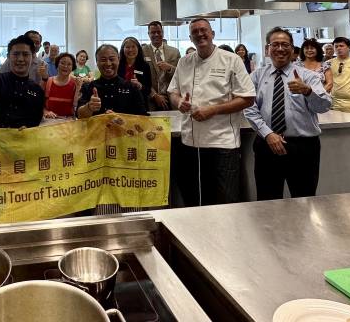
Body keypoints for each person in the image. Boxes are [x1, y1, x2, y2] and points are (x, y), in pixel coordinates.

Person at [167, 18, 256, 205]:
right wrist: (179, 102)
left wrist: (213, 110)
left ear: (212, 34)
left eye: (204, 30)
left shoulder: (231, 60)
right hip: (190, 142)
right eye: (195, 32)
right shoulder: (184, 62)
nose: (200, 34)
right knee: (195, 200)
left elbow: (247, 98)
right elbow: (173, 92)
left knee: (225, 200)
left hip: (222, 143)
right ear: (190, 38)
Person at [244, 28, 332, 200]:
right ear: (267, 49)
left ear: (292, 49)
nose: (280, 49)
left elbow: (324, 106)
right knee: (267, 200)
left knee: (304, 199)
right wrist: (268, 134)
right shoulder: (256, 76)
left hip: (303, 147)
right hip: (267, 144)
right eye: (275, 44)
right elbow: (249, 108)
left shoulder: (308, 76)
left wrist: (308, 91)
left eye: (285, 45)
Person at [0, 35, 46, 137]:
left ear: (32, 57)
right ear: (8, 56)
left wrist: (28, 130)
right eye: (16, 54)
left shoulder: (37, 91)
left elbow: (34, 123)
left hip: (20, 142)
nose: (20, 59)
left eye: (25, 54)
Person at [77, 44, 147, 117]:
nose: (108, 63)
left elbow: (143, 117)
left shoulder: (131, 87)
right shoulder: (88, 87)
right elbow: (79, 115)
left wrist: (120, 118)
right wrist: (89, 107)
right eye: (103, 60)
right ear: (97, 62)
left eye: (111, 59)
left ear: (118, 60)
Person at [142, 21, 180, 111]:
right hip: (150, 99)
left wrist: (170, 68)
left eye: (158, 32)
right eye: (153, 32)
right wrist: (154, 95)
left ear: (162, 33)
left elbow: (181, 74)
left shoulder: (174, 52)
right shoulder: (142, 52)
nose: (156, 35)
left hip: (172, 99)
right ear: (148, 34)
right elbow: (141, 77)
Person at [43, 53, 83, 118]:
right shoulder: (48, 82)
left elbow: (76, 107)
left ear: (72, 67)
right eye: (62, 63)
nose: (65, 66)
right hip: (49, 121)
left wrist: (78, 88)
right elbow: (40, 104)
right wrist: (46, 112)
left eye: (69, 64)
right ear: (57, 64)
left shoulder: (75, 83)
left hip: (68, 121)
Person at [117, 37, 153, 108]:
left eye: (133, 47)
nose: (130, 50)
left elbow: (148, 89)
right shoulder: (117, 65)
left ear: (138, 48)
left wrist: (140, 86)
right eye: (127, 47)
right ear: (123, 49)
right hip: (120, 102)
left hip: (139, 103)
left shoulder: (144, 66)